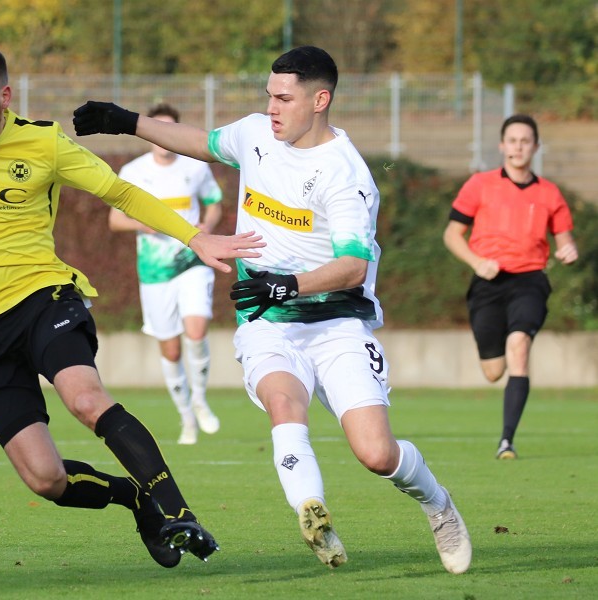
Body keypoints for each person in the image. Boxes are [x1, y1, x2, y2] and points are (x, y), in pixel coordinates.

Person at [74, 45, 472, 574]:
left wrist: (286, 286)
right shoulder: (259, 134)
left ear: (320, 100)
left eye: (284, 98)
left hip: (337, 325)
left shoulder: (345, 175)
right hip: (267, 322)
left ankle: (438, 505)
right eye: (269, 95)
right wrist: (125, 122)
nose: (272, 107)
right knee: (285, 405)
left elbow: (352, 266)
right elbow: (202, 143)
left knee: (376, 454)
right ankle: (313, 513)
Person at [0, 43, 266, 568]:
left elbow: (121, 193)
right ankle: (135, 499)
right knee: (45, 478)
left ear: (5, 96)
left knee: (84, 397)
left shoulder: (44, 143)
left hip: (43, 296)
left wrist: (195, 238)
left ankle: (177, 512)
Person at [443, 114, 578, 460]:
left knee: (520, 346)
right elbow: (452, 235)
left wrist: (568, 249)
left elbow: (564, 240)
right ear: (502, 146)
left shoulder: (550, 193)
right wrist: (477, 263)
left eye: (526, 141)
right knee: (493, 371)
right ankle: (495, 358)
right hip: (487, 281)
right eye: (513, 140)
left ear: (535, 146)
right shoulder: (480, 184)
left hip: (530, 281)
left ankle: (507, 441)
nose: (519, 147)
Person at [109, 102, 224, 445]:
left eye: (168, 130)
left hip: (191, 261)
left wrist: (207, 226)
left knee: (197, 327)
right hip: (155, 271)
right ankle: (186, 417)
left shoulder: (195, 167)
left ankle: (202, 400)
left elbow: (214, 203)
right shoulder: (132, 172)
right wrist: (143, 223)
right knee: (171, 351)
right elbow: (114, 220)